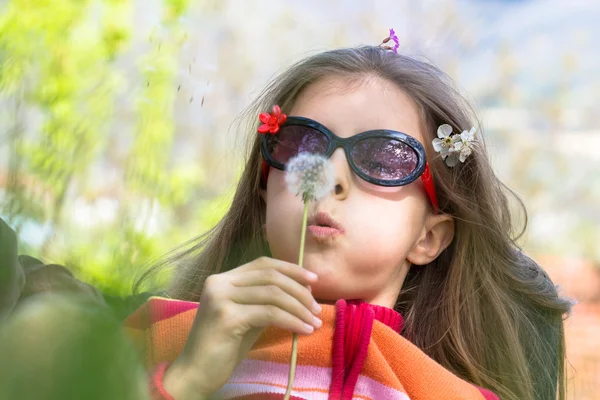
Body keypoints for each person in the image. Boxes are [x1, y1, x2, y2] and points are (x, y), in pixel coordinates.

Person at [126, 36, 573, 400]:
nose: (329, 177)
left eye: (383, 158)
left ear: (429, 238)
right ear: (264, 197)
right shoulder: (155, 338)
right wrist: (186, 382)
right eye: (301, 144)